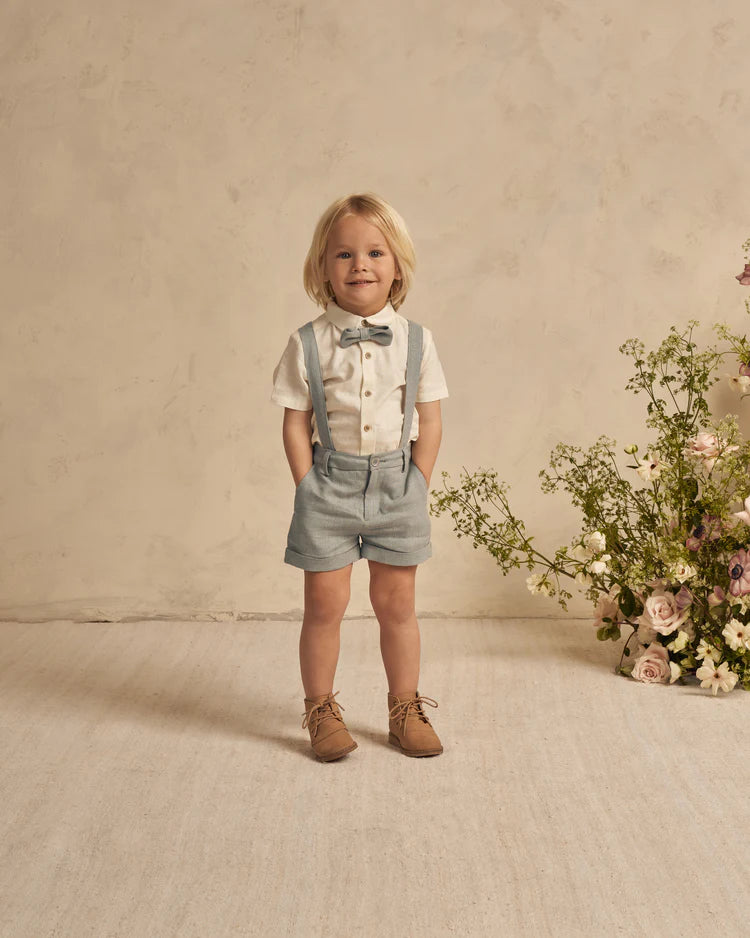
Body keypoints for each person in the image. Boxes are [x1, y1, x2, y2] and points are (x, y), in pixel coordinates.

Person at [270, 192, 449, 762]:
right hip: (329, 486)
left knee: (397, 605)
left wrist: (416, 481)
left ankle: (405, 708)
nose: (360, 265)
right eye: (343, 254)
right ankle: (321, 710)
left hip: (398, 484)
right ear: (323, 266)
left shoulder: (417, 341)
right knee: (324, 606)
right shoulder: (307, 342)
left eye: (375, 252)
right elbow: (295, 422)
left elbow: (429, 419)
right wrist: (307, 484)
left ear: (397, 266)